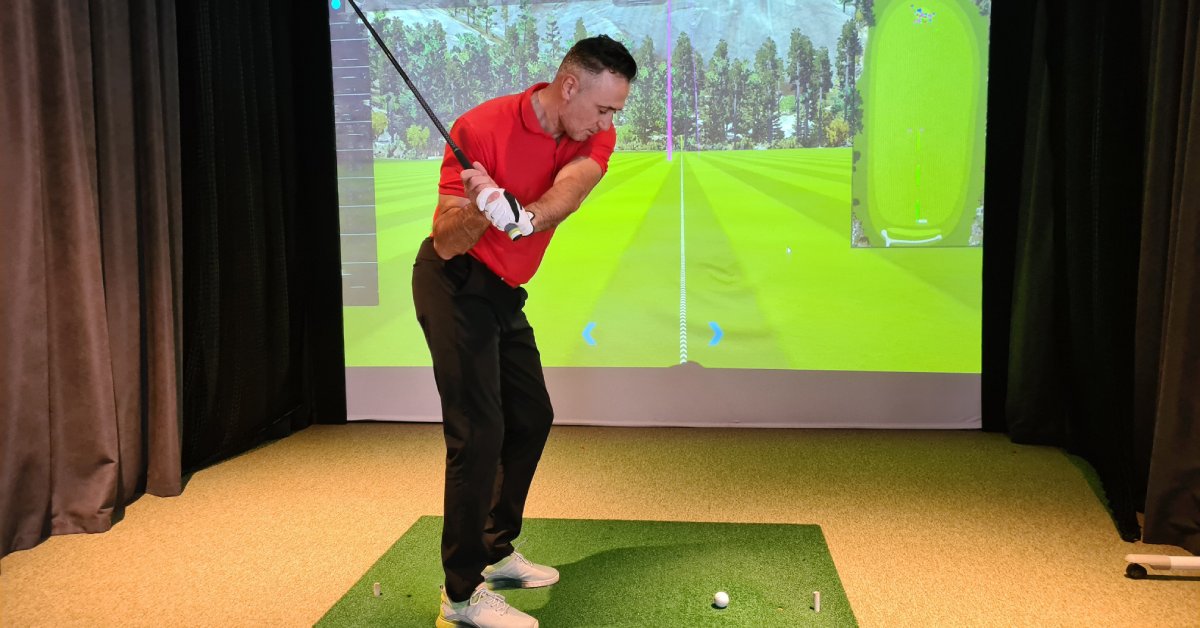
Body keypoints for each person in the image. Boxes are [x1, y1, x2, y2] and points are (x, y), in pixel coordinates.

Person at [411, 35, 637, 628]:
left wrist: (526, 216)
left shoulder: (593, 133)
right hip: (454, 283)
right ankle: (460, 596)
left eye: (614, 110)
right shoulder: (479, 128)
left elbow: (572, 191)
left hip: (504, 291)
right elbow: (444, 240)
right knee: (478, 432)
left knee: (532, 415)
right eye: (604, 108)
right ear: (569, 87)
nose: (609, 122)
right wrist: (481, 205)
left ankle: (493, 548)